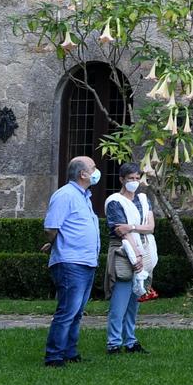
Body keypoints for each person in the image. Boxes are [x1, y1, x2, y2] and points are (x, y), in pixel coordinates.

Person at [41, 156, 103, 368]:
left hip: (85, 262)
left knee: (76, 312)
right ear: (82, 174)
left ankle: (69, 351)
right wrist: (56, 244)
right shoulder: (65, 195)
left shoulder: (84, 196)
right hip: (71, 262)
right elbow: (51, 228)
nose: (96, 171)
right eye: (93, 168)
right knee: (68, 311)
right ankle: (54, 356)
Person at [103, 163, 154, 355]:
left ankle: (130, 340)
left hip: (144, 248)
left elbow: (150, 227)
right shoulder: (114, 201)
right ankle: (114, 342)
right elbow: (119, 231)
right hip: (124, 252)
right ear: (121, 179)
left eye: (136, 178)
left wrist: (131, 226)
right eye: (130, 178)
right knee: (120, 299)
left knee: (135, 298)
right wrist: (135, 256)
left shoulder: (143, 198)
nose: (134, 182)